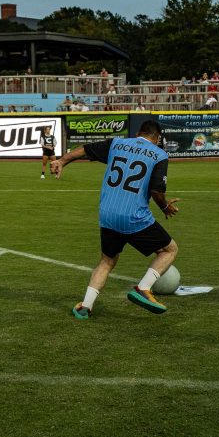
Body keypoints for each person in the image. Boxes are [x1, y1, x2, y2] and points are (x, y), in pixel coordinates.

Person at [50, 120, 180, 319]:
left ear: (138, 133)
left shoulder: (117, 144)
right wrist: (164, 207)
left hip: (107, 215)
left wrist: (61, 161)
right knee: (169, 250)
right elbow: (157, 191)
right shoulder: (159, 155)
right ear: (157, 137)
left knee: (107, 261)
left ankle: (85, 307)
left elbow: (85, 150)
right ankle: (143, 288)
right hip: (134, 217)